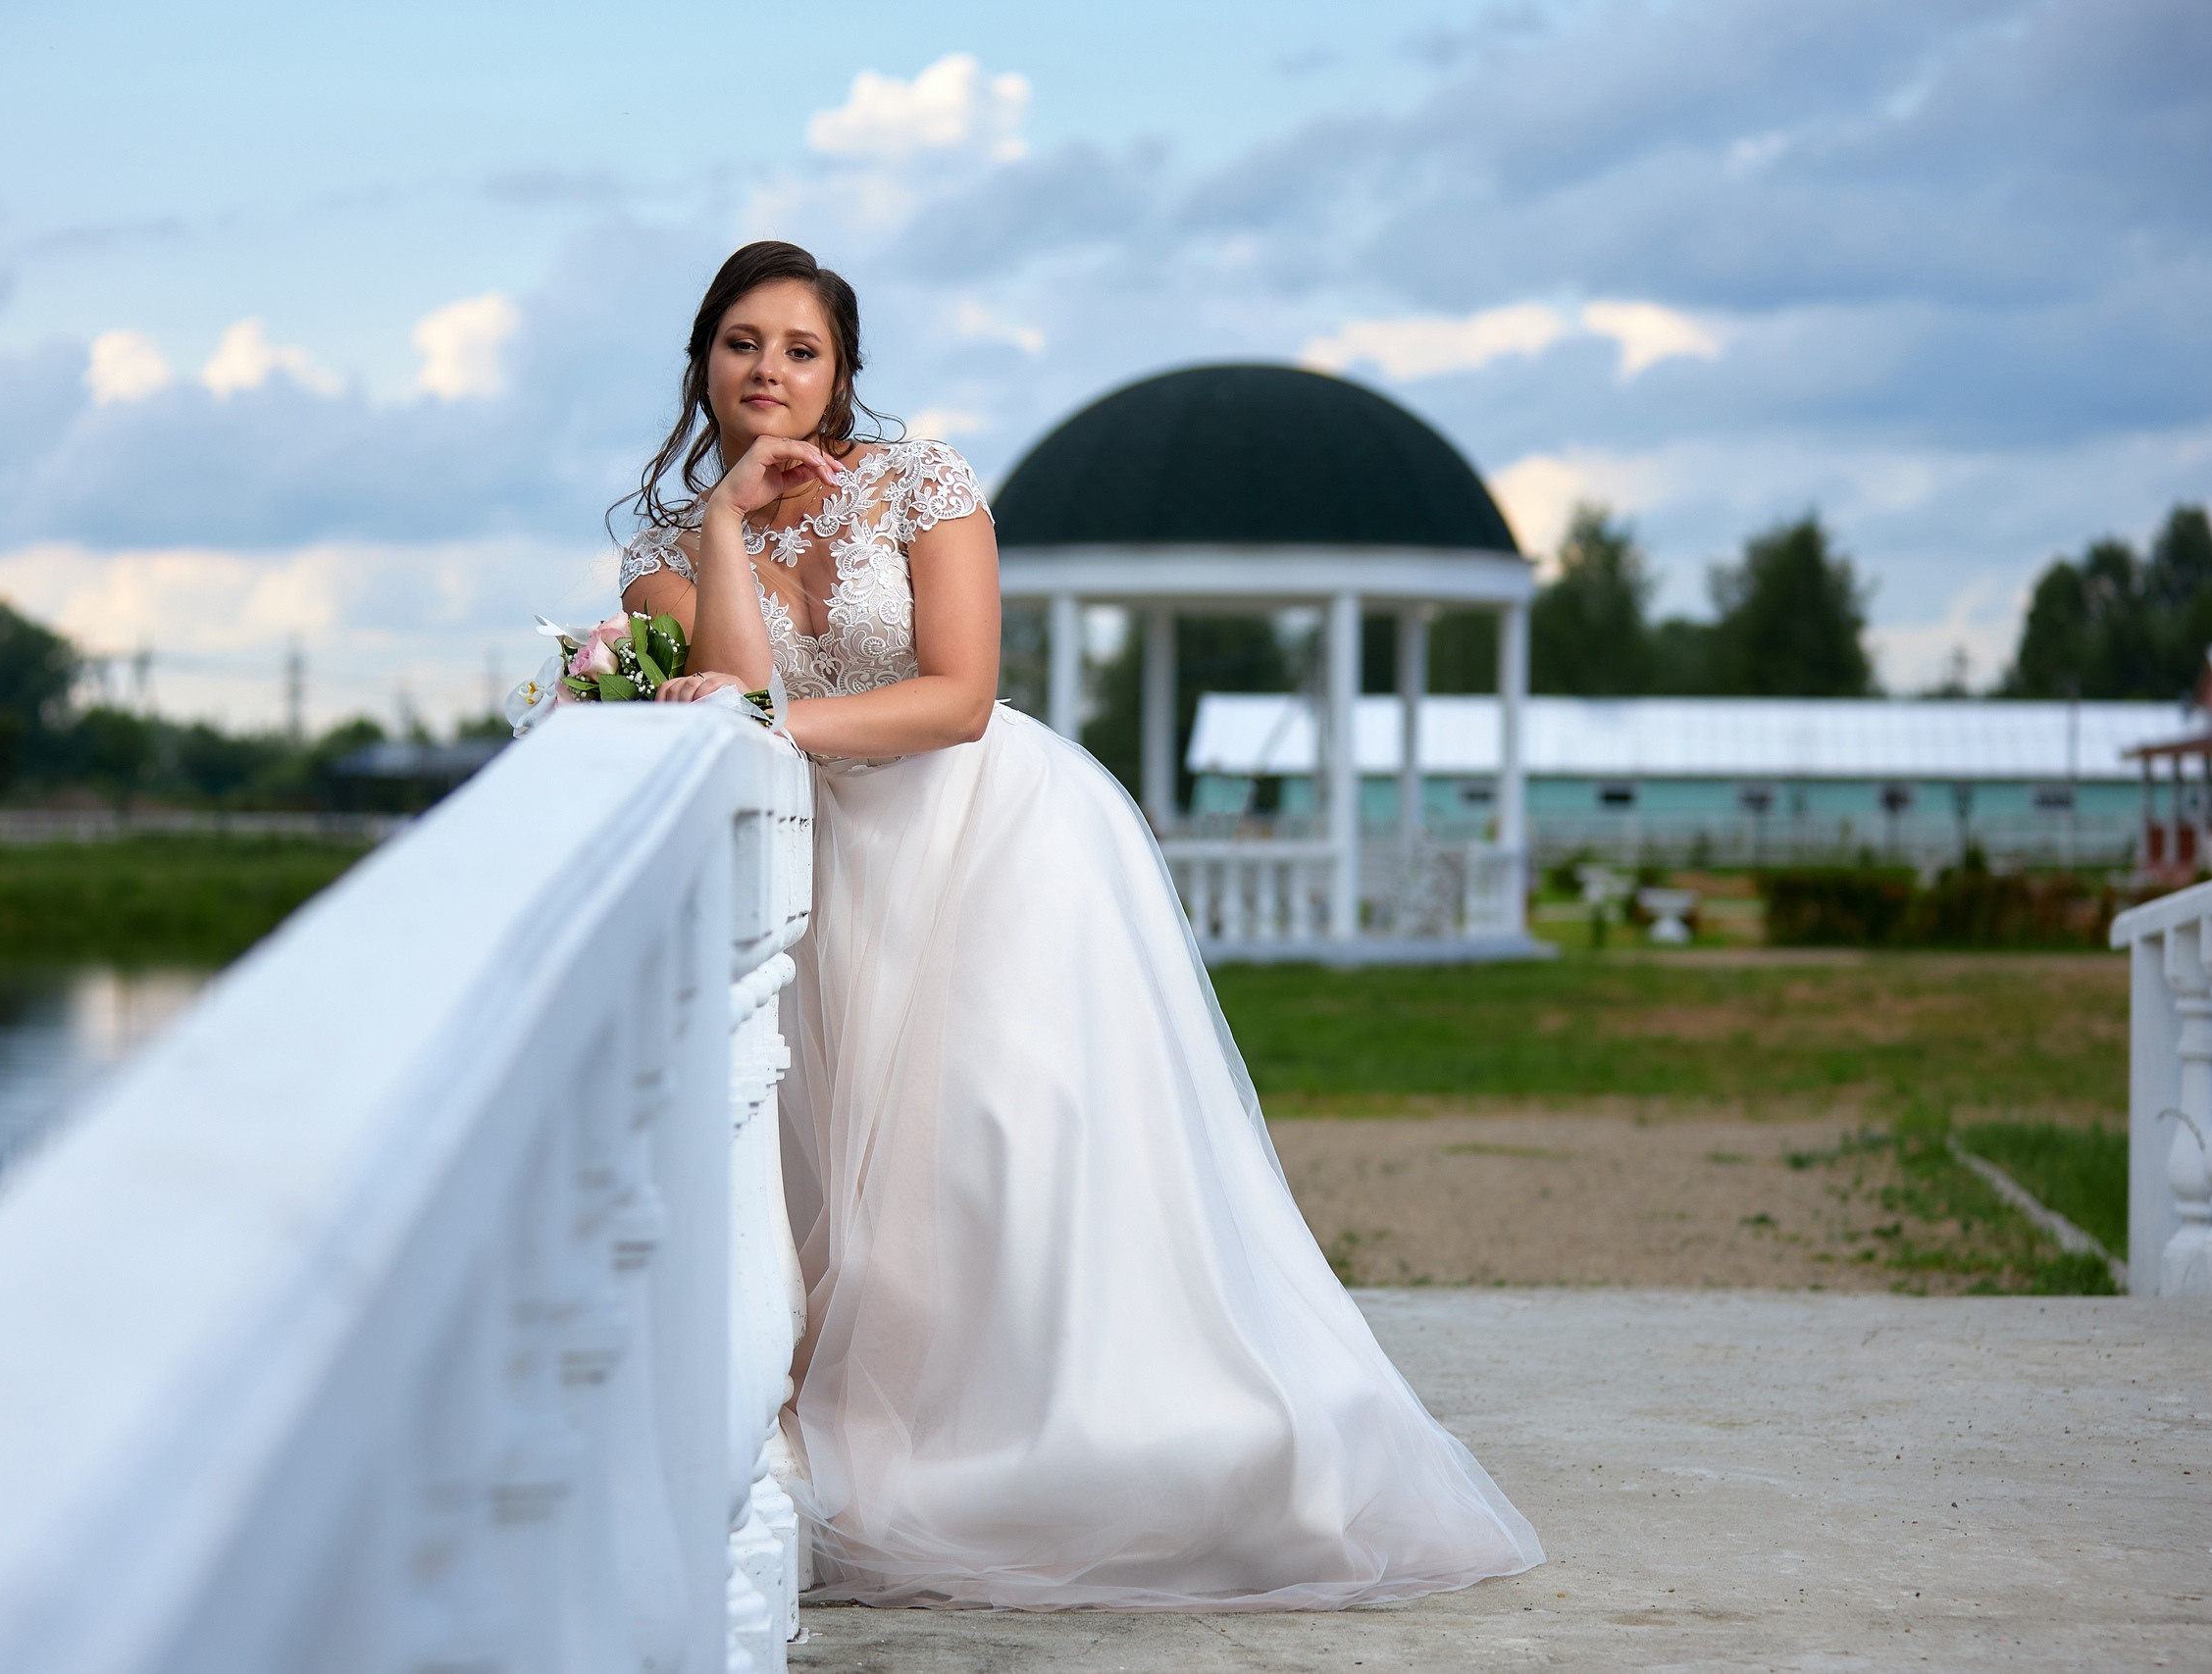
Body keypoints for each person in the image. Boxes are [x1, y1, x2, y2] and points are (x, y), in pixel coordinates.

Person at [619, 240, 1542, 1610]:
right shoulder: (663, 558)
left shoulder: (923, 482)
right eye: (743, 343)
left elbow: (956, 696)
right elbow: (736, 705)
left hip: (993, 842)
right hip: (833, 879)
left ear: (843, 372)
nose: (770, 371)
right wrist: (726, 529)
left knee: (1006, 1136)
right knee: (864, 1199)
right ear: (705, 359)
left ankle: (1103, 1437)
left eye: (800, 349)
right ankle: (905, 1436)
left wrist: (777, 722)